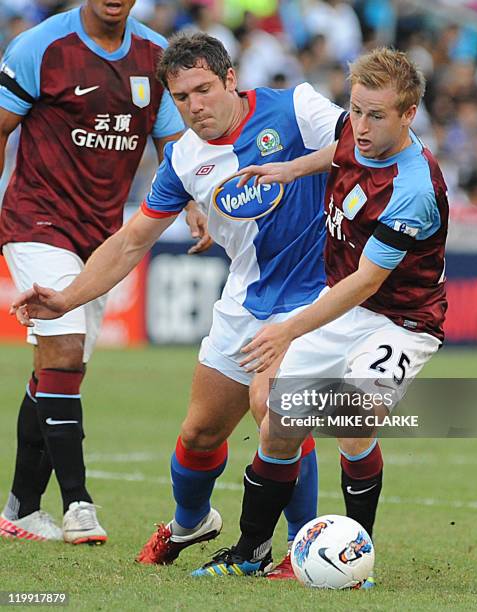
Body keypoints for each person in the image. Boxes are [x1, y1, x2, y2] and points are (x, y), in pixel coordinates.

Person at [9, 33, 345, 576]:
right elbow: (130, 242)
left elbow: (364, 145)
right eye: (182, 97)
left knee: (273, 409)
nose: (196, 106)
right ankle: (190, 522)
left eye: (205, 90)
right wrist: (65, 298)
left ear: (231, 79)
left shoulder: (296, 107)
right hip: (246, 300)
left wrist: (294, 167)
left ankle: (296, 547)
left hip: (319, 296)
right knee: (198, 434)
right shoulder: (185, 161)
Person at [189, 47, 449, 580]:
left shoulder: (414, 189)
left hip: (402, 320)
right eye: (355, 110)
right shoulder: (360, 131)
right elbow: (339, 149)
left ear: (409, 114)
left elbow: (365, 282)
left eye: (377, 115)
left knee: (352, 421)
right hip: (348, 306)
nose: (361, 124)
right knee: (278, 418)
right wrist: (289, 169)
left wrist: (288, 329)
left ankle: (359, 560)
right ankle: (249, 554)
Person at [0, 0, 193, 545]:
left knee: (60, 370)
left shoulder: (156, 55)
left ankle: (20, 507)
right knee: (62, 349)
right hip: (36, 219)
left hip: (104, 237)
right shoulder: (40, 47)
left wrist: (197, 202)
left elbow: (176, 144)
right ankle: (78, 504)